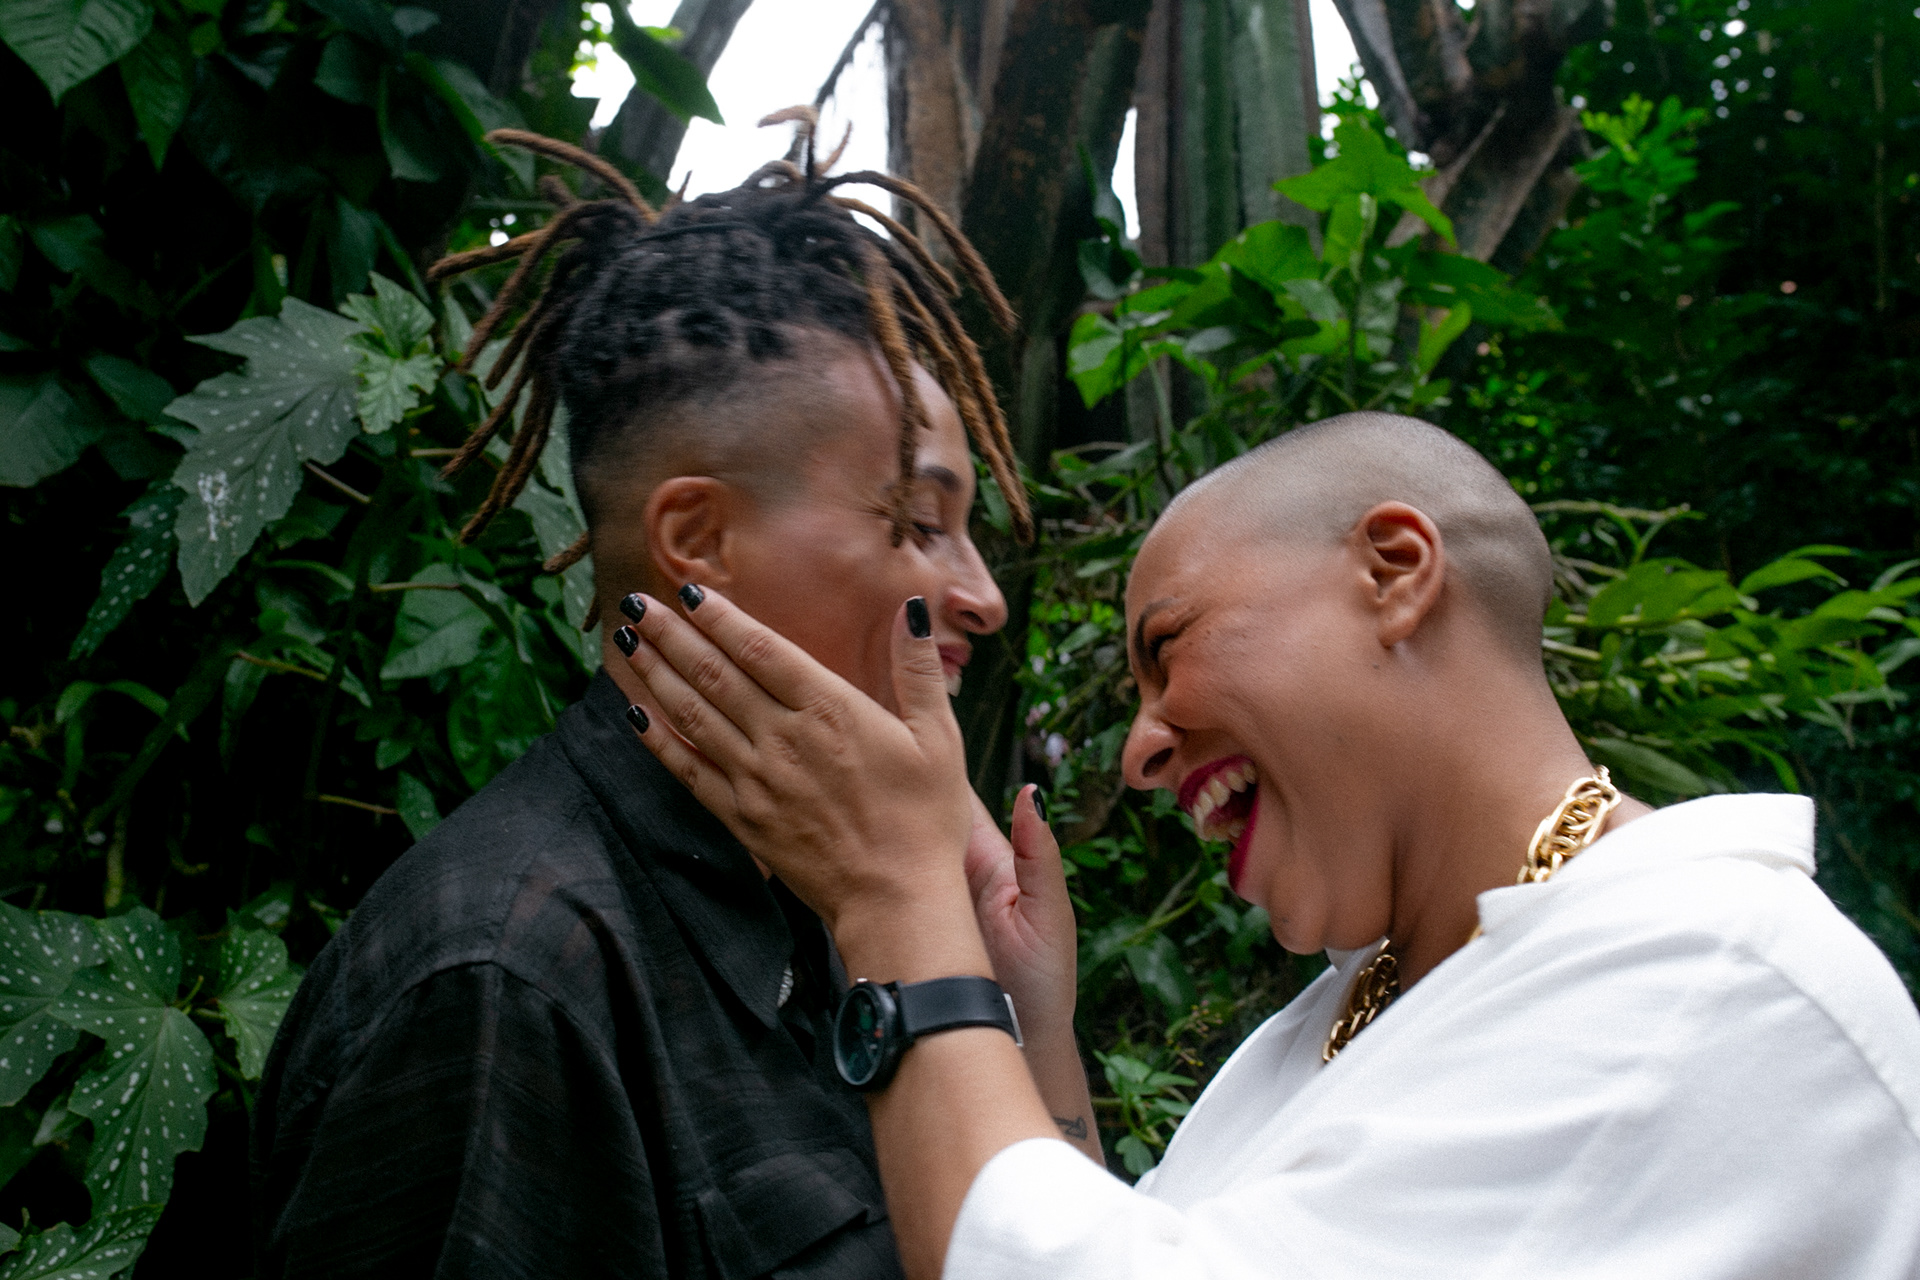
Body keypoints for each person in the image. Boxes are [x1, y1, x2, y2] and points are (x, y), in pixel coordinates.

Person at [615, 411, 1920, 1279]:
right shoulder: (1345, 1016)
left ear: (1393, 571)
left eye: (1167, 647)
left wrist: (894, 902)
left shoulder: (1708, 982)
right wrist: (1032, 1024)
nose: (1139, 750)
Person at [250, 121, 1099, 1278]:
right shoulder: (507, 975)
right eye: (917, 521)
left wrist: (1024, 1019)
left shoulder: (847, 897)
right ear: (698, 539)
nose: (984, 596)